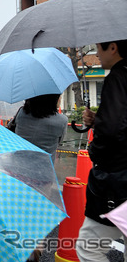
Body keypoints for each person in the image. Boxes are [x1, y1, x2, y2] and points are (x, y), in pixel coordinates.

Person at [76, 40, 127, 262]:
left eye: (98, 48)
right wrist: (99, 120)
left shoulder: (118, 77)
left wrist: (95, 149)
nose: (97, 54)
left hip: (116, 181)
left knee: (90, 247)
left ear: (113, 47)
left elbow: (114, 130)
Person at [13, 94, 67, 163]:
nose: (61, 98)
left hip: (18, 164)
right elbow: (59, 141)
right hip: (44, 168)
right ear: (53, 99)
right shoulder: (61, 121)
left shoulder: (21, 113)